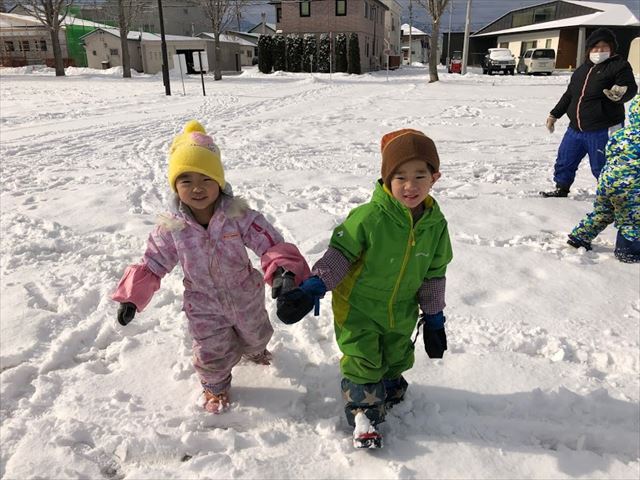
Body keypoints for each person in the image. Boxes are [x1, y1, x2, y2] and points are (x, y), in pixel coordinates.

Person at [112, 120, 310, 413]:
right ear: (175, 186)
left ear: (219, 181)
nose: (197, 188)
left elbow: (270, 244)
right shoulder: (172, 228)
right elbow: (152, 263)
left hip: (245, 295)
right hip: (203, 303)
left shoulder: (238, 216)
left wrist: (283, 271)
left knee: (256, 335)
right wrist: (131, 297)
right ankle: (215, 387)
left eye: (206, 178)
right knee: (210, 350)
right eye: (186, 181)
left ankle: (254, 351)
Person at [276, 129, 453, 448]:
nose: (410, 186)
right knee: (363, 359)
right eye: (400, 177)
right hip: (358, 307)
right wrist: (314, 286)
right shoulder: (369, 217)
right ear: (386, 179)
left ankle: (387, 385)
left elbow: (434, 274)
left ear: (434, 178)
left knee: (396, 354)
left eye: (419, 176)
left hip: (401, 309)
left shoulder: (435, 225)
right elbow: (339, 255)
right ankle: (364, 415)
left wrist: (434, 318)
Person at [541, 27, 637, 198]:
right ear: (589, 49)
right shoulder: (582, 69)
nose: (599, 51)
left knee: (603, 165)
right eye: (596, 47)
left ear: (611, 48)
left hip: (603, 128)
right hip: (575, 129)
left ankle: (614, 198)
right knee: (565, 160)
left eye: (604, 47)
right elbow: (569, 95)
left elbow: (628, 86)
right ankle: (561, 188)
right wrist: (554, 114)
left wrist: (620, 92)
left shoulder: (618, 66)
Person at [567, 95, 639, 263]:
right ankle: (628, 251)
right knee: (633, 219)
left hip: (608, 181)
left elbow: (610, 153)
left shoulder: (620, 134)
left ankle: (580, 236)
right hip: (632, 186)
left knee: (603, 211)